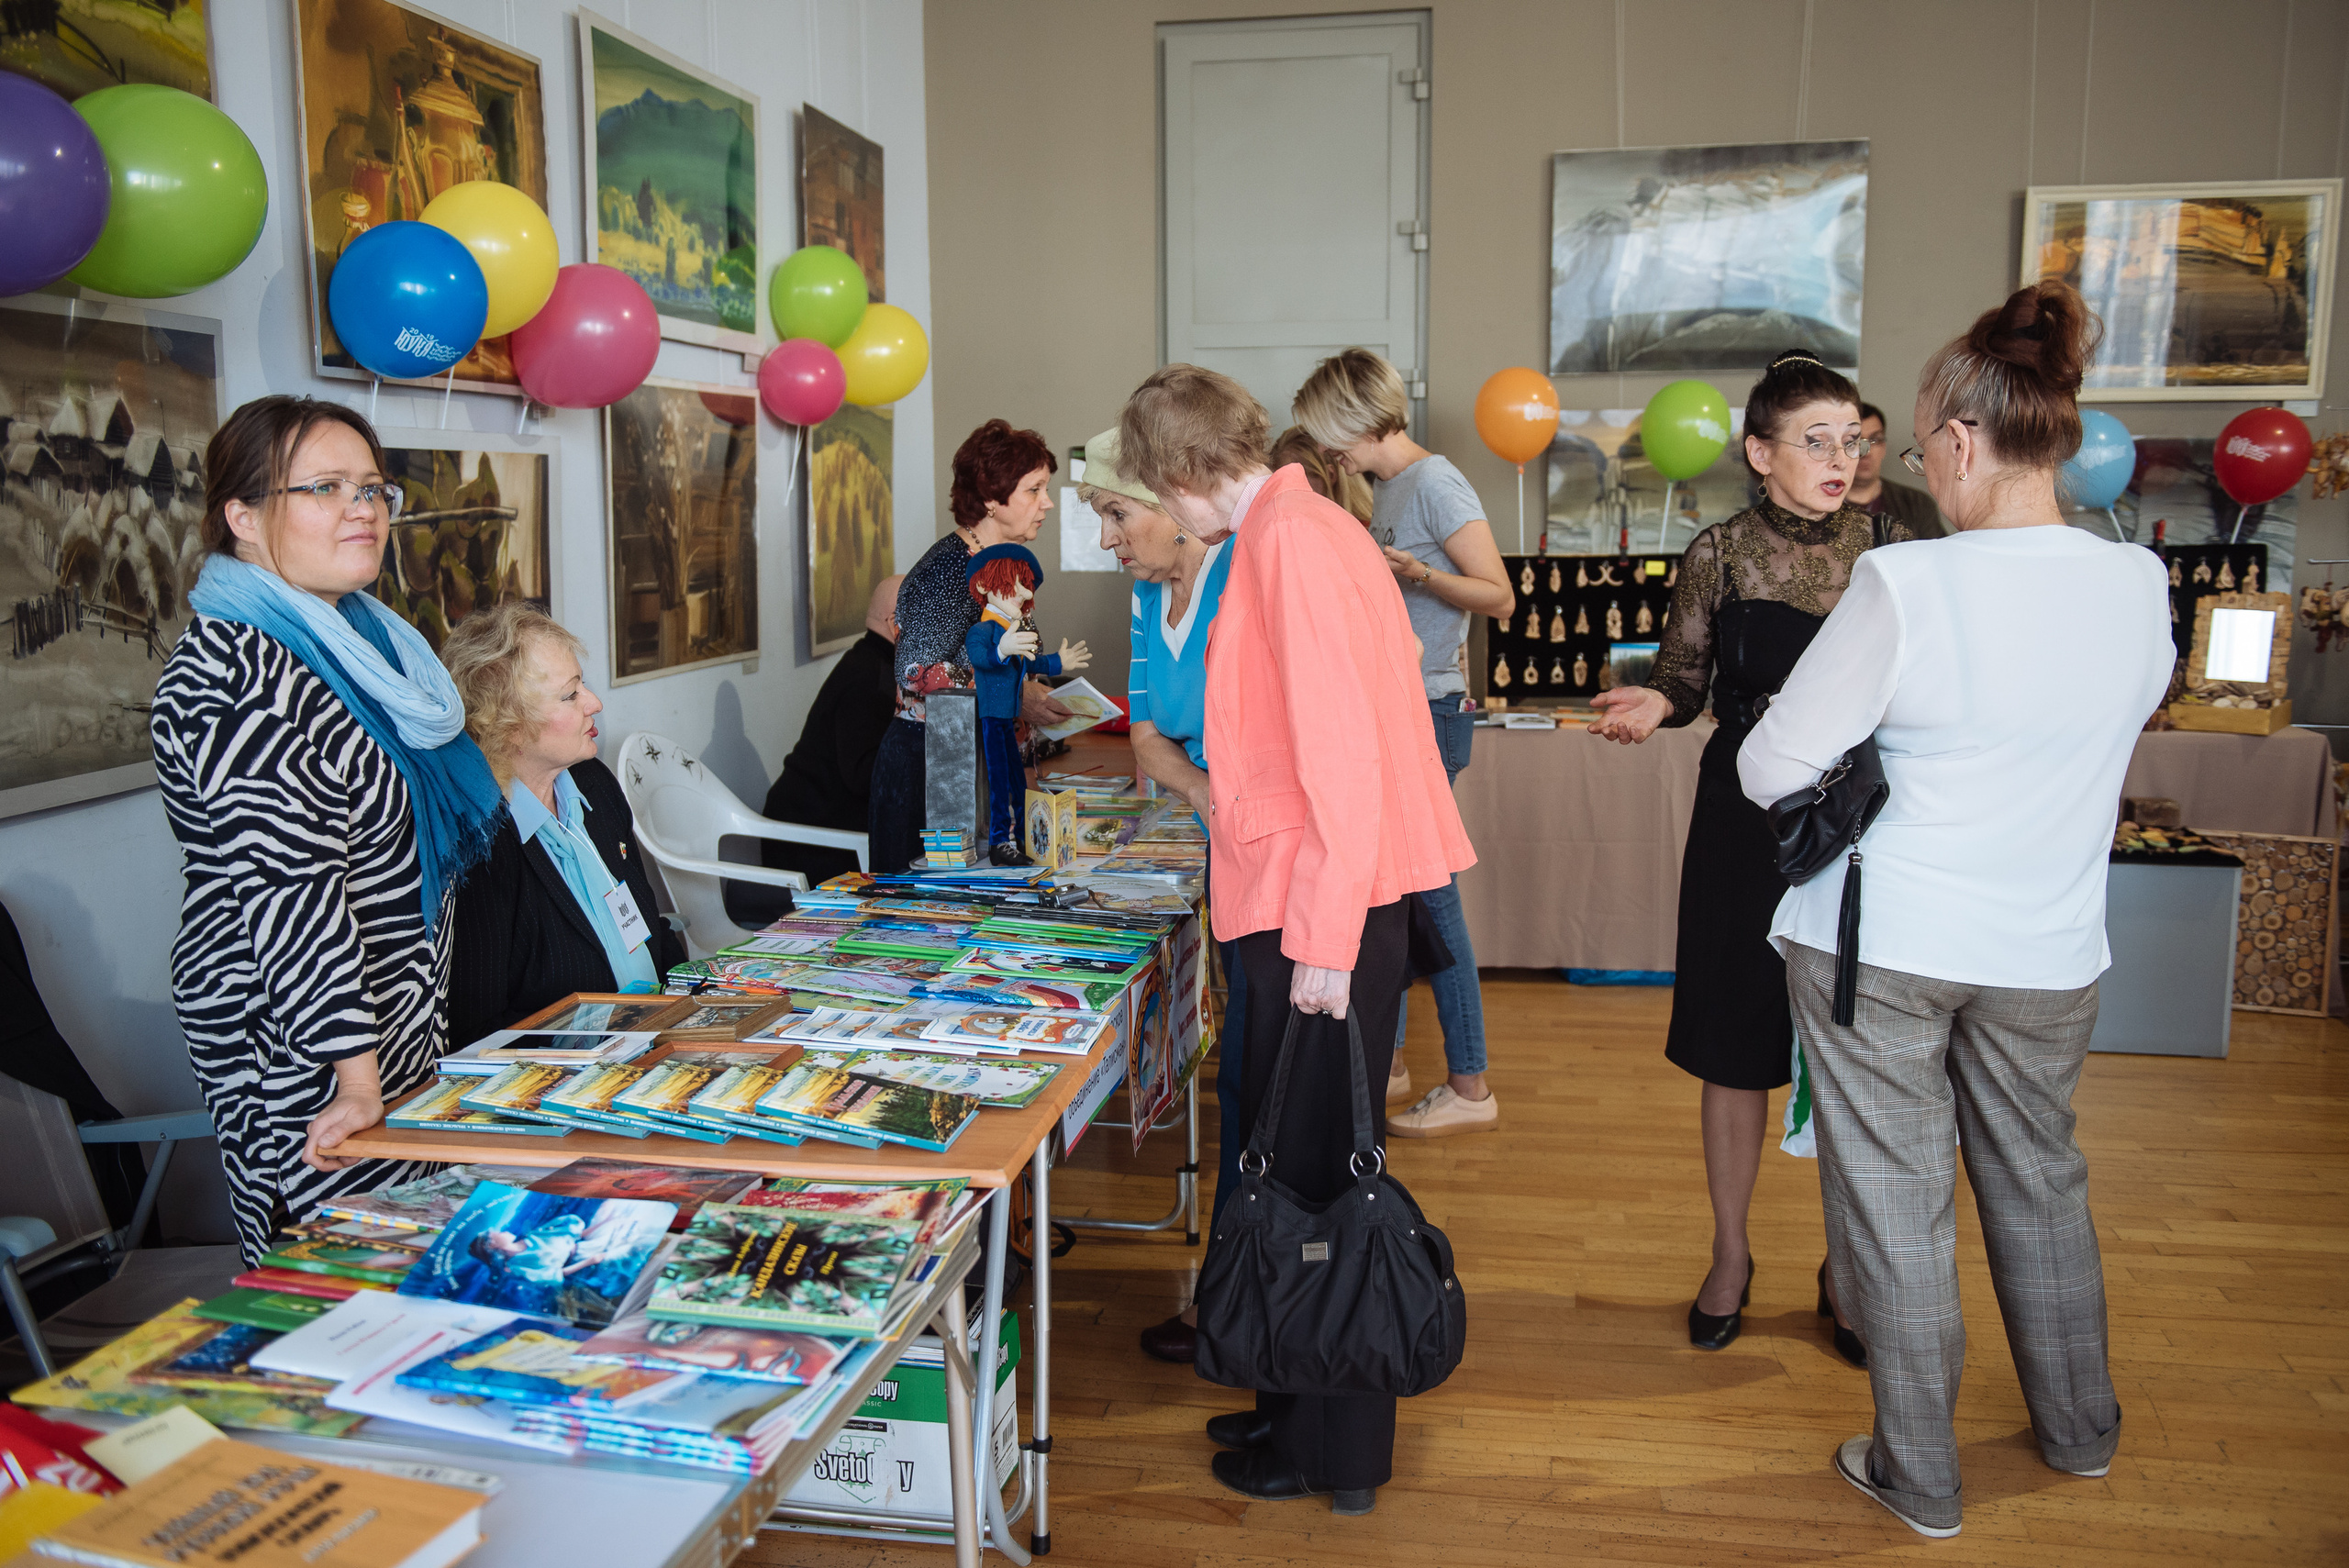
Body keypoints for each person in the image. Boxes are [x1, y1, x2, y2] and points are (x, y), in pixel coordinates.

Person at [1741, 284, 2164, 1540]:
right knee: (2041, 1182)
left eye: (1918, 447)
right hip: (2048, 944)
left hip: (1888, 943)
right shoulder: (2139, 582)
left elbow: (1770, 766)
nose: (1917, 468)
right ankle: (2079, 1430)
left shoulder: (1910, 583)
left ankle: (1919, 1471)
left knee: (1899, 1199)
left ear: (1966, 444)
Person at [1121, 363, 1475, 1515]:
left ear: (1184, 473)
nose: (1159, 514)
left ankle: (1336, 1452)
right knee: (1284, 1153)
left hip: (1320, 904)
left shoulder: (1291, 544)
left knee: (1321, 1173)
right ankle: (1286, 1389)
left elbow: (1342, 762)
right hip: (1294, 894)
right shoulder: (1286, 529)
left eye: (1153, 491)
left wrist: (1323, 937)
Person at [1587, 349, 1909, 1364]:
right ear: (1759, 452)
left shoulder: (1894, 548)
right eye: (1815, 439)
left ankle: (1845, 1266)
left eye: (1851, 437)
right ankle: (1730, 1254)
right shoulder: (1718, 553)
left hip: (1860, 823)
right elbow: (1686, 680)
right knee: (1732, 1046)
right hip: (1742, 824)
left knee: (1851, 1053)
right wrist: (1656, 700)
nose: (1840, 456)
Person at [150, 395, 506, 1262]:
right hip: (302, 1046)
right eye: (326, 488)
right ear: (241, 515)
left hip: (391, 1025)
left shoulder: (365, 643)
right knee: (332, 1272)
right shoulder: (235, 672)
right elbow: (292, 896)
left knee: (411, 1262)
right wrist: (356, 1077)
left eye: (374, 488)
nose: (363, 509)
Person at [1294, 349, 1513, 1137]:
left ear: (1356, 418)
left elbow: (1500, 594)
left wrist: (1413, 574)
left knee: (1431, 900)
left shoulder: (1435, 482)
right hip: (1403, 710)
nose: (1325, 453)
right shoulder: (1387, 489)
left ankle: (1470, 1081)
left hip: (1431, 709)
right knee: (1396, 895)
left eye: (1329, 435)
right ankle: (1390, 1060)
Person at [1082, 424, 1243, 1365]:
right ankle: (1234, 1295)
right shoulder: (1149, 598)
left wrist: (1228, 795)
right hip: (1226, 837)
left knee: (1266, 1080)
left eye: (1114, 513)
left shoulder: (1246, 575)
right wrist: (1205, 795)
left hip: (1276, 851)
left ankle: (1254, 1302)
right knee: (1247, 1073)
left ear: (1171, 501)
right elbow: (1147, 733)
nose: (1107, 538)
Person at [440, 603, 685, 1050]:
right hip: (574, 1082)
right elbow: (478, 1035)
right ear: (507, 723)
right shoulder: (479, 843)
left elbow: (650, 929)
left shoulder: (594, 785)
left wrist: (700, 1005)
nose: (594, 703)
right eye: (570, 695)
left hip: (661, 1038)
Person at [867, 419, 1071, 873]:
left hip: (975, 757)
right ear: (992, 498)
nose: (1048, 503)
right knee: (923, 921)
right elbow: (914, 673)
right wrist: (1015, 692)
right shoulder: (946, 570)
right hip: (926, 765)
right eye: (1034, 490)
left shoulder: (1005, 566)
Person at [760, 574, 902, 884]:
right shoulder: (868, 679)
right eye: (922, 619)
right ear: (895, 624)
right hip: (809, 842)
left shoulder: (874, 663)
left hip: (825, 826)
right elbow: (865, 776)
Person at [963, 546, 1089, 861]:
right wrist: (1001, 651)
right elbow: (980, 658)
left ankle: (1021, 838)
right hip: (993, 718)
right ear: (983, 586)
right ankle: (998, 843)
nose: (1022, 594)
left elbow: (1033, 663)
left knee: (1017, 780)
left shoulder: (1012, 631)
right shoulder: (983, 631)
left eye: (1025, 585)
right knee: (1000, 783)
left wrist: (1060, 661)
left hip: (1009, 720)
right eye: (1012, 584)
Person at [1853, 400, 1946, 538]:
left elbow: (1937, 556)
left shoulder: (1917, 503)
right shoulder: (1823, 504)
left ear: (1884, 447)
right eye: (1856, 442)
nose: (1866, 453)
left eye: (1875, 440)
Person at [1266, 425, 1372, 523]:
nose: (1283, 494)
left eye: (1293, 482)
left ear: (1330, 476)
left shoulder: (1370, 532)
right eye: (1278, 483)